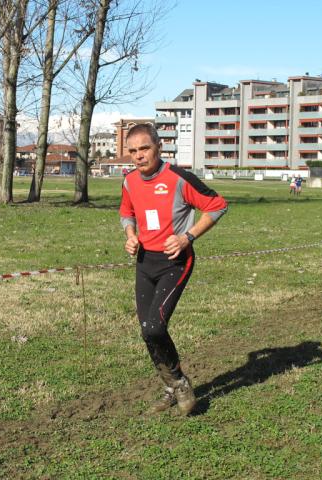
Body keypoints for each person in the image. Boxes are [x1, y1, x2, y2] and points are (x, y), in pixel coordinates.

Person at [119, 124, 228, 415]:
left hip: (175, 263)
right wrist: (131, 235)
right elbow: (126, 213)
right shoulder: (129, 181)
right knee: (147, 331)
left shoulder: (179, 178)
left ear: (159, 147)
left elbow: (217, 206)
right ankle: (171, 387)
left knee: (155, 325)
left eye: (144, 148)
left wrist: (187, 237)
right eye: (133, 151)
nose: (139, 156)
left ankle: (180, 383)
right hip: (145, 263)